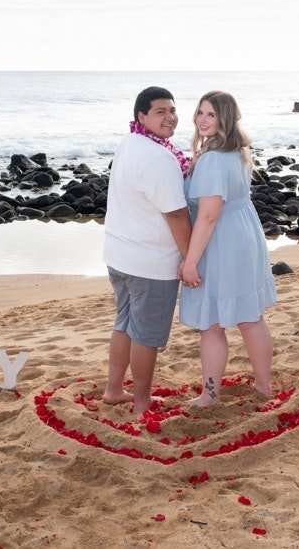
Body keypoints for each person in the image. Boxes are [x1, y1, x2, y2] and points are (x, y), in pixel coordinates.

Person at [178, 90, 276, 407]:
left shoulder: (213, 160)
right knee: (250, 317)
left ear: (225, 120)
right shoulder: (237, 153)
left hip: (220, 243)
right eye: (200, 113)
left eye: (211, 114)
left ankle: (210, 395)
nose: (203, 120)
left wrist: (190, 262)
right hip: (245, 236)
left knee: (212, 323)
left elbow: (208, 216)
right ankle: (263, 385)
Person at [102, 86, 192, 414]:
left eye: (172, 109)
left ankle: (114, 390)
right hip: (148, 264)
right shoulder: (158, 157)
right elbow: (177, 214)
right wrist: (191, 258)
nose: (170, 117)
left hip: (118, 255)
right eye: (160, 111)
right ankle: (142, 401)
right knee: (146, 335)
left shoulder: (130, 142)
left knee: (124, 322)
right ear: (142, 116)